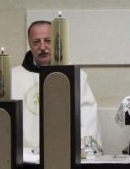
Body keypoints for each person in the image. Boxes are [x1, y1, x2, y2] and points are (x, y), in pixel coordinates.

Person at [12, 20, 102, 150]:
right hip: (25, 155)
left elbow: (88, 117)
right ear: (29, 44)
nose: (42, 47)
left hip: (65, 153)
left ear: (56, 41)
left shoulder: (75, 76)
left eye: (48, 40)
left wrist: (82, 150)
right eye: (36, 42)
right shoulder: (13, 77)